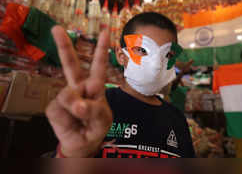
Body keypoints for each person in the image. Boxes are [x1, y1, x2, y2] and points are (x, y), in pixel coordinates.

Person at [46, 12, 195, 158]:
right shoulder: (95, 109)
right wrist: (73, 155)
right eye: (142, 50)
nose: (156, 65)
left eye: (167, 55)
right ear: (121, 56)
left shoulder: (177, 121)